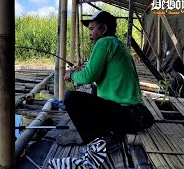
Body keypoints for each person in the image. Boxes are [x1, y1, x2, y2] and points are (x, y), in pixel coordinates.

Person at [63, 10, 154, 144]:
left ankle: (96, 143)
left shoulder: (104, 42)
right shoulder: (118, 45)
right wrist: (81, 70)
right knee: (94, 89)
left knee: (71, 98)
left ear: (104, 29)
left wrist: (71, 74)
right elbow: (96, 74)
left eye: (92, 29)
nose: (90, 33)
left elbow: (87, 77)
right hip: (137, 115)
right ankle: (103, 133)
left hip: (125, 115)